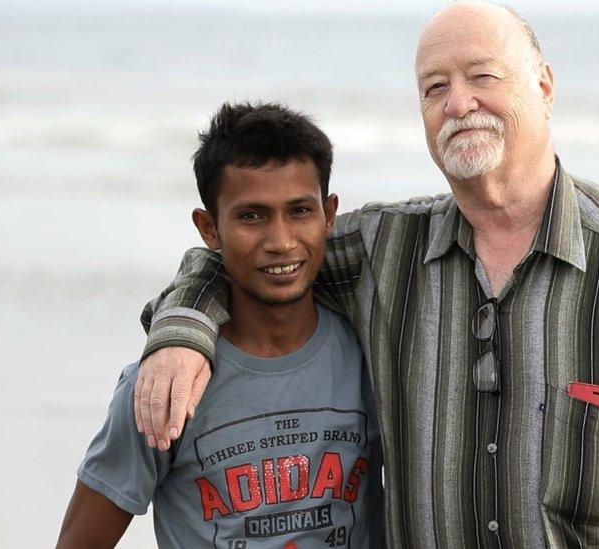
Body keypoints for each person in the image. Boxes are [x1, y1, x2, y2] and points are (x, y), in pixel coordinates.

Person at [132, 2, 599, 546]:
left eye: (481, 76)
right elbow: (255, 253)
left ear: (544, 86)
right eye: (434, 88)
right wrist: (183, 331)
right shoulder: (382, 251)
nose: (458, 102)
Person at [57, 102, 383, 548]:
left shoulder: (373, 356)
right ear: (209, 228)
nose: (281, 241)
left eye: (300, 211)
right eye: (252, 216)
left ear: (329, 214)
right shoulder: (162, 388)